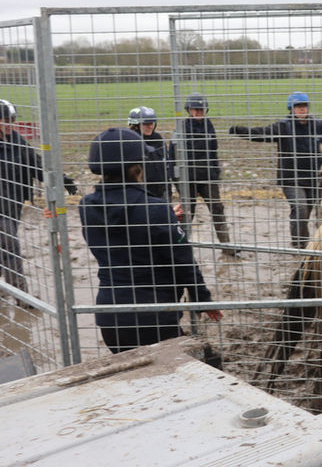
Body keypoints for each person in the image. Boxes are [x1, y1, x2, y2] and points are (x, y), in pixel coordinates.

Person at [79, 127, 222, 354]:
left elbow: (120, 233)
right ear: (136, 167)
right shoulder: (154, 208)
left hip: (110, 316)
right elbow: (182, 260)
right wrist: (202, 298)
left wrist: (163, 218)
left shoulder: (87, 206)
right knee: (202, 360)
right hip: (154, 315)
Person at [229, 92, 322, 249]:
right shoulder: (283, 127)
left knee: (314, 211)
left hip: (315, 179)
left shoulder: (318, 125)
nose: (301, 109)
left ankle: (320, 243)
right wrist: (240, 131)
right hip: (292, 179)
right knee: (300, 208)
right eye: (298, 107)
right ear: (291, 109)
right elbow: (261, 133)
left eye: (304, 106)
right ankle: (300, 245)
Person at [0, 100, 77, 308]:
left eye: (12, 120)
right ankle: (23, 298)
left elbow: (36, 165)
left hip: (12, 205)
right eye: (5, 120)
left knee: (4, 247)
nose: (10, 124)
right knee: (10, 247)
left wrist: (61, 180)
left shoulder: (16, 141)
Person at [168, 93, 234, 256]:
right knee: (187, 213)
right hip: (187, 179)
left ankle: (227, 246)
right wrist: (177, 181)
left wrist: (215, 172)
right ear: (189, 110)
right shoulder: (181, 128)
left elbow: (213, 151)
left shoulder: (209, 126)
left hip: (208, 178)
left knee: (217, 209)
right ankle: (180, 247)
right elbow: (172, 157)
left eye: (201, 109)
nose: (198, 112)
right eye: (195, 109)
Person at [127, 106, 171, 200]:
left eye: (151, 123)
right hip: (139, 193)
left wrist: (168, 190)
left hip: (161, 190)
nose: (150, 126)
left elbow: (165, 165)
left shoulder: (158, 139)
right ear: (135, 124)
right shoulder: (129, 141)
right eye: (146, 123)